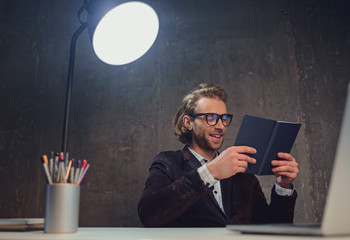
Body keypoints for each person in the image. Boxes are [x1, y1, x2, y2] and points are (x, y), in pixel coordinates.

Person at [138, 84, 299, 227]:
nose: (221, 126)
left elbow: (272, 229)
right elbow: (149, 215)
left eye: (223, 118)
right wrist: (210, 172)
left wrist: (283, 187)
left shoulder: (242, 171)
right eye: (211, 118)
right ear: (188, 123)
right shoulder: (167, 162)